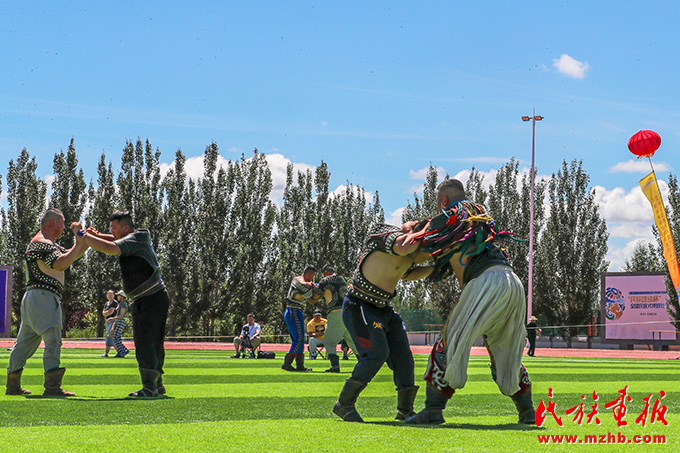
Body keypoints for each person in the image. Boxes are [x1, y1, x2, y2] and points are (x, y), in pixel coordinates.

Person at [406, 179, 536, 425]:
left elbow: (416, 248)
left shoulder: (451, 215)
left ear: (443, 201)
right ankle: (527, 411)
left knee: (447, 344)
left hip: (484, 282)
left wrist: (404, 238)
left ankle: (433, 409)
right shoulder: (478, 217)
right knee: (505, 352)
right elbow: (439, 260)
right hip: (511, 282)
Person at [333, 221, 433, 423]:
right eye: (413, 224)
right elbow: (404, 246)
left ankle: (405, 410)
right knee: (376, 354)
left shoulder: (408, 255)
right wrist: (427, 229)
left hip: (384, 309)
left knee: (404, 357)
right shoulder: (384, 233)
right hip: (359, 305)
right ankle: (343, 404)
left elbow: (408, 273)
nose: (415, 224)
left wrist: (435, 266)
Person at [81, 210, 169, 398]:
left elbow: (110, 247)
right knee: (152, 342)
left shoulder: (135, 240)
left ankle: (149, 388)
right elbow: (113, 241)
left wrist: (84, 236)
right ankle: (156, 385)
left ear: (126, 228)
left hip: (151, 298)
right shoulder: (135, 239)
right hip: (150, 298)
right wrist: (97, 236)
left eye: (114, 228)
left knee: (146, 342)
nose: (111, 231)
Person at [5, 208, 88, 396]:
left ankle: (12, 386)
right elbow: (60, 263)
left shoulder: (46, 243)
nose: (64, 227)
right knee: (53, 340)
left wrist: (83, 240)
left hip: (35, 298)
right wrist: (79, 242)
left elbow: (71, 255)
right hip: (44, 297)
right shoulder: (42, 243)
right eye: (62, 223)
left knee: (24, 343)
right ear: (52, 223)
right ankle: (52, 387)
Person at [315, 264, 355, 372]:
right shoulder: (342, 279)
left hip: (336, 313)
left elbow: (316, 294)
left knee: (329, 342)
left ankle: (335, 366)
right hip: (348, 312)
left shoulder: (325, 280)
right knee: (352, 342)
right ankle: (365, 365)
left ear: (326, 273)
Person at [282, 265, 321, 372]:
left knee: (300, 339)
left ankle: (300, 365)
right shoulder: (297, 280)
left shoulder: (304, 282)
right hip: (292, 311)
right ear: (308, 274)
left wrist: (314, 287)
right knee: (298, 339)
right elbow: (308, 293)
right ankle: (287, 364)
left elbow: (311, 295)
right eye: (312, 276)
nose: (312, 278)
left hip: (297, 311)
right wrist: (314, 287)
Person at [108, 291, 130, 358]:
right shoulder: (121, 303)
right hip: (118, 321)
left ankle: (123, 351)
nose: (117, 297)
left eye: (119, 295)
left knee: (115, 337)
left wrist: (113, 318)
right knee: (117, 338)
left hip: (120, 321)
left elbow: (121, 315)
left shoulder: (123, 304)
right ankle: (121, 352)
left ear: (122, 297)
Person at [102, 289, 117, 357]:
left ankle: (106, 353)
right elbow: (103, 313)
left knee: (109, 336)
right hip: (107, 321)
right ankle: (120, 352)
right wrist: (106, 313)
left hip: (112, 321)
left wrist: (106, 313)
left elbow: (110, 312)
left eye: (111, 294)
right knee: (110, 336)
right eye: (109, 294)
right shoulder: (106, 303)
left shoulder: (114, 303)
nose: (110, 296)